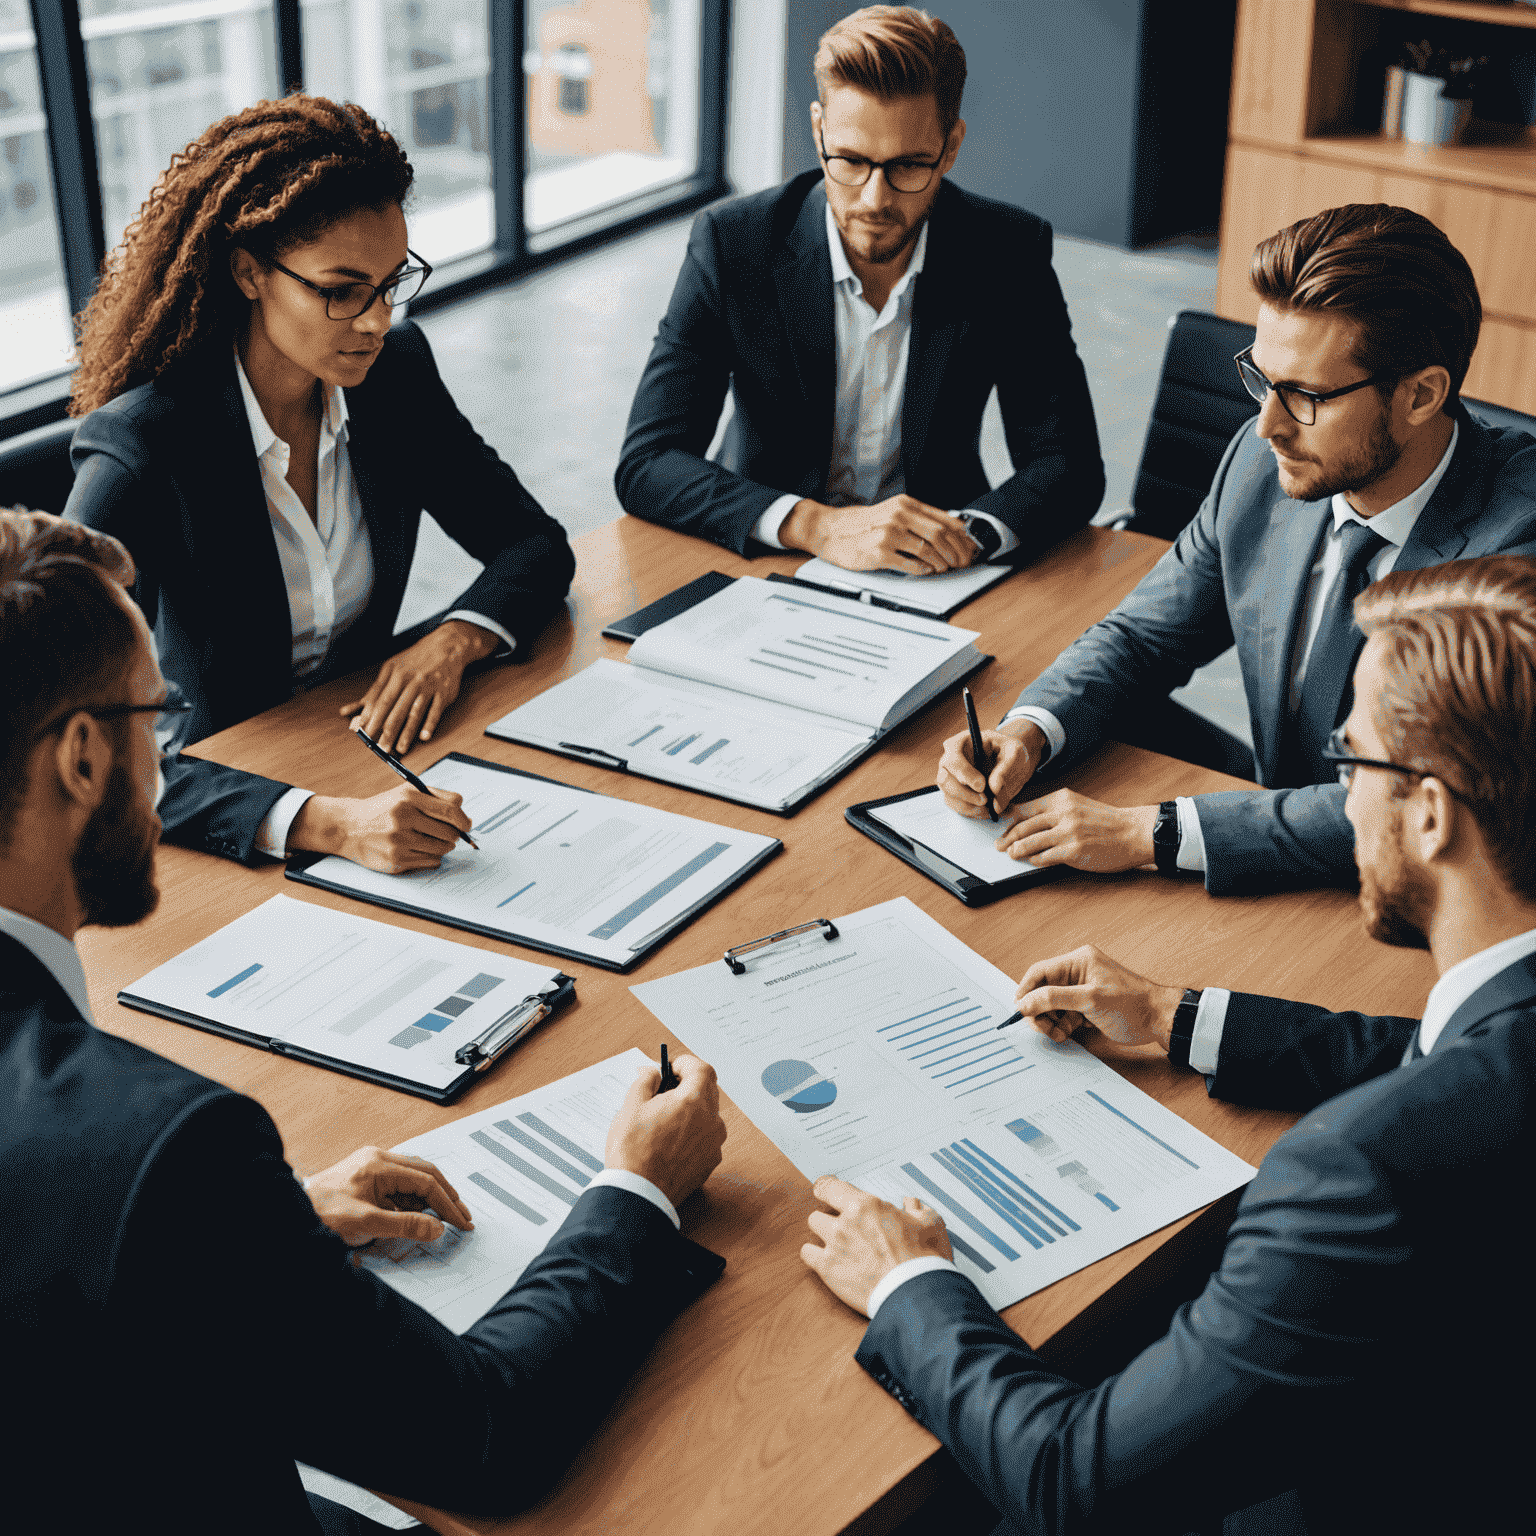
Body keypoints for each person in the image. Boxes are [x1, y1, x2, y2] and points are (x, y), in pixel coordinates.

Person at [0, 509, 727, 1536]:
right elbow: (485, 1436)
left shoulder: (150, 1183)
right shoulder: (166, 1148)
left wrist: (246, 1238)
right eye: (153, 717)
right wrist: (637, 1191)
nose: (164, 760)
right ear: (82, 757)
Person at [803, 554, 1536, 1534]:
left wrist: (908, 1281)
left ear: (1433, 812)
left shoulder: (1355, 1174)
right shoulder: (1490, 1053)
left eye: (1352, 760)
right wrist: (1176, 1017)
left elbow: (1077, 1480)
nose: (1345, 795)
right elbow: (1466, 1064)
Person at [936, 203, 1536, 895]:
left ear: (1422, 394)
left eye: (1305, 396)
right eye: (1261, 378)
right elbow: (1142, 639)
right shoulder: (1262, 471)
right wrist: (1032, 731)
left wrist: (1150, 833)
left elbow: (1407, 800)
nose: (1266, 427)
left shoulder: (1513, 556)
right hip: (1279, 862)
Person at [65, 95, 575, 873]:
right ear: (249, 271)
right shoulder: (145, 448)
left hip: (361, 760)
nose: (375, 321)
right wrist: (328, 824)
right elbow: (62, 732)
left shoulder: (394, 376)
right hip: (217, 813)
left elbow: (532, 543)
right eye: (341, 290)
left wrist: (454, 639)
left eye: (390, 282)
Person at [615, 5, 1103, 574]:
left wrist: (963, 537)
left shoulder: (1007, 251)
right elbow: (648, 461)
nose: (875, 200)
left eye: (908, 166)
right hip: (768, 552)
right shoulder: (734, 243)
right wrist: (816, 525)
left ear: (951, 146)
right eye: (849, 160)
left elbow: (1067, 463)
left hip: (934, 568)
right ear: (820, 130)